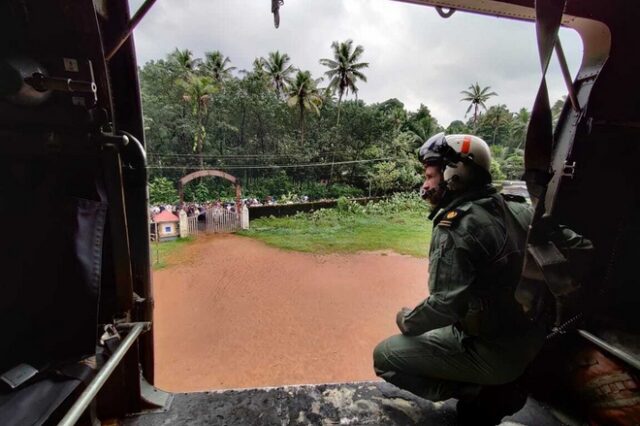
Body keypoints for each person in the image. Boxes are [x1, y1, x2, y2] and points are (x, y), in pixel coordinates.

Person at [372, 133, 545, 425]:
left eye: (430, 176)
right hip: (528, 342)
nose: (425, 185)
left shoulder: (455, 227)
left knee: (386, 356)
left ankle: (480, 392)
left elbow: (444, 306)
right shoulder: (519, 209)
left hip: (493, 351)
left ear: (455, 174)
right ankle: (495, 387)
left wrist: (407, 320)